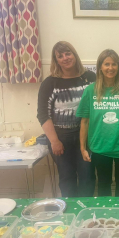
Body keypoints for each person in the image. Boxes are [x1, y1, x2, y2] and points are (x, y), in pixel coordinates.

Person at [76, 49, 119, 197]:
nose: (110, 68)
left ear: (118, 67)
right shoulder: (90, 91)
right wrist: (82, 148)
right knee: (104, 183)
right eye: (106, 64)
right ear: (100, 67)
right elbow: (84, 121)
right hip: (99, 147)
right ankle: (106, 216)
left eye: (114, 64)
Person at [37, 41, 96, 197]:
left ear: (74, 54)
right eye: (60, 56)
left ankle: (87, 214)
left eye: (68, 53)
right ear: (56, 60)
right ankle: (71, 216)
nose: (65, 58)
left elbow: (99, 104)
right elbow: (43, 114)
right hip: (61, 138)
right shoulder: (50, 83)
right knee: (67, 178)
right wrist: (54, 141)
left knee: (87, 177)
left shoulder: (90, 78)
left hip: (86, 136)